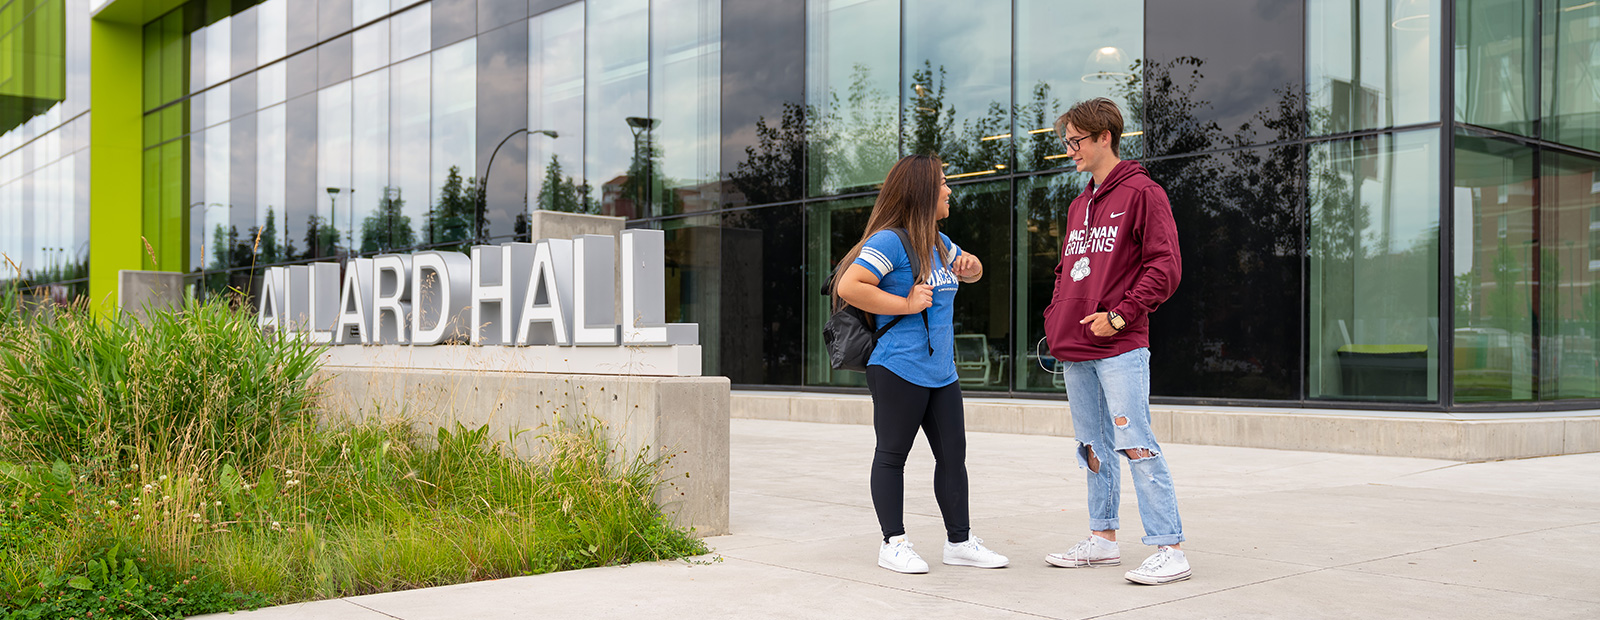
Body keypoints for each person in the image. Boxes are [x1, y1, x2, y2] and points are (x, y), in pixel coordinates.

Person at [832, 154, 1009, 574]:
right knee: (893, 455)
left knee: (953, 457)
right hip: (897, 366)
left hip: (941, 372)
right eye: (944, 183)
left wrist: (970, 267)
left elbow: (975, 270)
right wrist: (906, 303)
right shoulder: (890, 242)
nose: (949, 189)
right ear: (923, 191)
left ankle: (959, 542)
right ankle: (892, 543)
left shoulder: (939, 243)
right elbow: (849, 285)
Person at [1041, 98, 1189, 585]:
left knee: (1134, 441)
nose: (1070, 151)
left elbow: (1165, 267)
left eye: (1076, 142)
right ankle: (1103, 539)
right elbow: (1068, 270)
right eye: (1066, 143)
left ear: (1105, 136)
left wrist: (1121, 317)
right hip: (1076, 346)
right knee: (1091, 445)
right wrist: (1056, 315)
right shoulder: (1079, 203)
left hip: (1121, 345)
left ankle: (1170, 547)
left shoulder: (1143, 192)